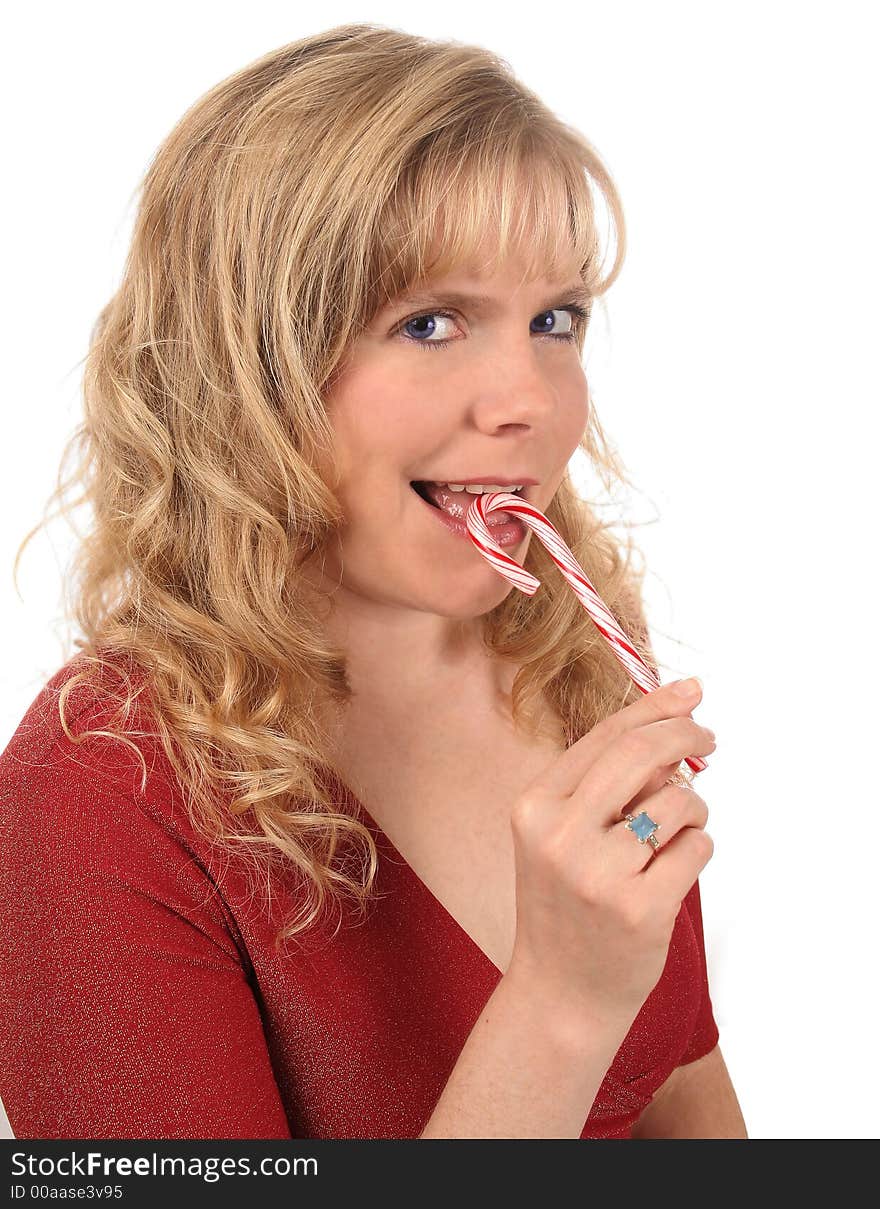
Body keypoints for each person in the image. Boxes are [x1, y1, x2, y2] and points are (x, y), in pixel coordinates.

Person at [0, 23, 747, 1139]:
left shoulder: (573, 660)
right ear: (247, 368)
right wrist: (558, 1007)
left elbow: (679, 1097)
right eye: (429, 322)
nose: (527, 401)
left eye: (555, 320)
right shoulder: (95, 795)